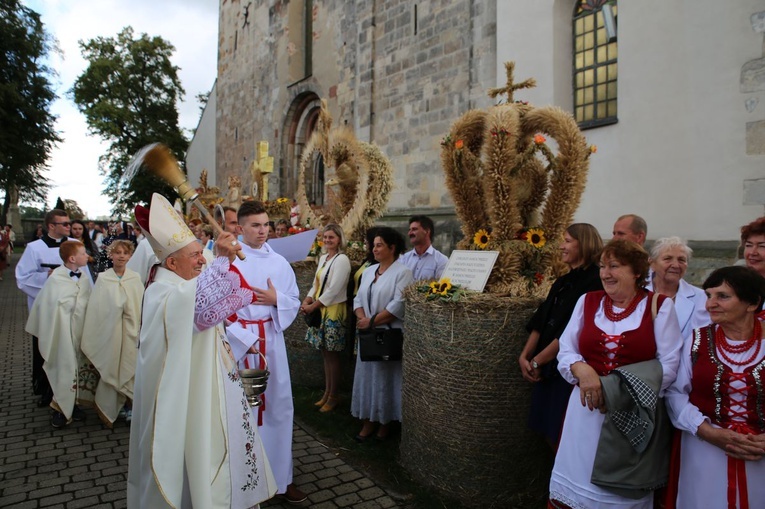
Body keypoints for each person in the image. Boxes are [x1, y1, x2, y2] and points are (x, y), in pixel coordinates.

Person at [127, 193, 276, 509]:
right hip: (184, 401)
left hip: (207, 390)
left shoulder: (181, 285)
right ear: (171, 262)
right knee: (191, 460)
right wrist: (221, 259)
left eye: (202, 253)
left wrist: (221, 261)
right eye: (195, 255)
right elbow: (200, 310)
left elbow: (210, 313)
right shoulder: (162, 293)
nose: (201, 260)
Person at [549, 239, 682, 508]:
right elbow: (566, 348)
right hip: (585, 412)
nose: (605, 273)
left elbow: (668, 365)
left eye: (614, 266)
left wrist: (615, 391)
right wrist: (581, 369)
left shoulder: (659, 306)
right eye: (602, 266)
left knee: (618, 493)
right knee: (580, 483)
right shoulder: (588, 301)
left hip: (631, 412)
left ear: (636, 272)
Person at [224, 200, 306, 504]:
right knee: (244, 412)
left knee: (279, 409)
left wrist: (276, 299)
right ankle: (245, 481)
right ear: (240, 228)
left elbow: (294, 300)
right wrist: (242, 336)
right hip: (241, 346)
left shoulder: (279, 263)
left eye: (266, 224)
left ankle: (282, 480)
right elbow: (217, 305)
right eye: (255, 225)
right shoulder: (230, 261)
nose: (263, 231)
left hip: (271, 342)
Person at [665, 266, 765, 509]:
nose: (711, 304)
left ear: (752, 304)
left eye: (723, 296)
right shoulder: (696, 339)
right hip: (705, 450)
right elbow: (676, 393)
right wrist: (708, 432)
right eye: (709, 295)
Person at [518, 223, 604, 447]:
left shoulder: (595, 282)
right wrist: (525, 356)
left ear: (583, 243)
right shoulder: (563, 281)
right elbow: (542, 319)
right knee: (547, 431)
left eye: (567, 241)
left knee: (561, 432)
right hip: (545, 365)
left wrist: (537, 361)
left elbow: (569, 330)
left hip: (564, 369)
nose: (560, 246)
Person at [16, 209, 91, 406]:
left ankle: (71, 392)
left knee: (70, 352)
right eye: (65, 224)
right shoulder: (34, 248)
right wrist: (46, 277)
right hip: (47, 310)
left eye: (69, 224)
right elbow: (22, 278)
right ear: (51, 226)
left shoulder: (75, 246)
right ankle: (46, 391)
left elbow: (85, 278)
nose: (69, 227)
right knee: (46, 350)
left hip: (72, 311)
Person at [352, 227, 414, 441]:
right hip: (368, 334)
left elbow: (399, 305)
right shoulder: (370, 270)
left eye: (379, 245)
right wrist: (362, 318)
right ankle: (368, 419)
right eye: (373, 245)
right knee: (368, 377)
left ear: (392, 247)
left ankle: (385, 422)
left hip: (388, 335)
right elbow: (358, 299)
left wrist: (372, 321)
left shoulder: (403, 273)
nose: (374, 249)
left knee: (386, 379)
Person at [25, 240, 95, 428]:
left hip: (80, 332)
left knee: (78, 367)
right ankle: (59, 408)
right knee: (63, 368)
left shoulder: (84, 277)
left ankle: (75, 403)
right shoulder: (56, 279)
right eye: (83, 254)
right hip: (61, 333)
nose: (87, 256)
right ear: (72, 258)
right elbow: (46, 307)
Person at [80, 240, 143, 427]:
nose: (121, 256)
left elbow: (139, 305)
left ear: (130, 256)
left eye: (125, 253)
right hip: (110, 332)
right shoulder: (103, 279)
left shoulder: (135, 278)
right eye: (117, 252)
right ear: (111, 255)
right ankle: (113, 406)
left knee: (129, 366)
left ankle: (130, 405)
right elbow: (97, 309)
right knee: (112, 365)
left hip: (131, 332)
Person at [300, 224, 352, 413]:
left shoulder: (342, 260)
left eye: (332, 237)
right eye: (325, 237)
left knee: (332, 355)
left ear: (339, 239)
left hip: (333, 310)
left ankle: (334, 395)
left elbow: (334, 289)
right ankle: (327, 392)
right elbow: (317, 283)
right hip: (321, 308)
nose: (328, 240)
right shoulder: (323, 258)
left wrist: (313, 306)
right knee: (324, 353)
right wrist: (307, 298)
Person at [646, 237, 709, 340]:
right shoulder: (636, 292)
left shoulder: (701, 298)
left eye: (681, 260)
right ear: (652, 263)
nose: (675, 265)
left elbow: (701, 337)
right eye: (667, 259)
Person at [400, 215, 449, 281]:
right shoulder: (403, 259)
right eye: (409, 230)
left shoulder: (441, 260)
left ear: (427, 231)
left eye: (414, 229)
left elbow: (440, 287)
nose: (409, 233)